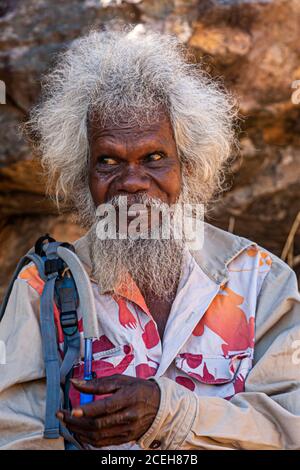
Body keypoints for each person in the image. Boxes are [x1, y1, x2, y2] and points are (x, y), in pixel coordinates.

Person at [0, 28, 299, 450]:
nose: (132, 182)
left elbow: (293, 427)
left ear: (189, 165)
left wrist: (167, 410)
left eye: (154, 158)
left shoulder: (262, 282)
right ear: (83, 175)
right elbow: (12, 434)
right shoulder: (42, 288)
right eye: (108, 161)